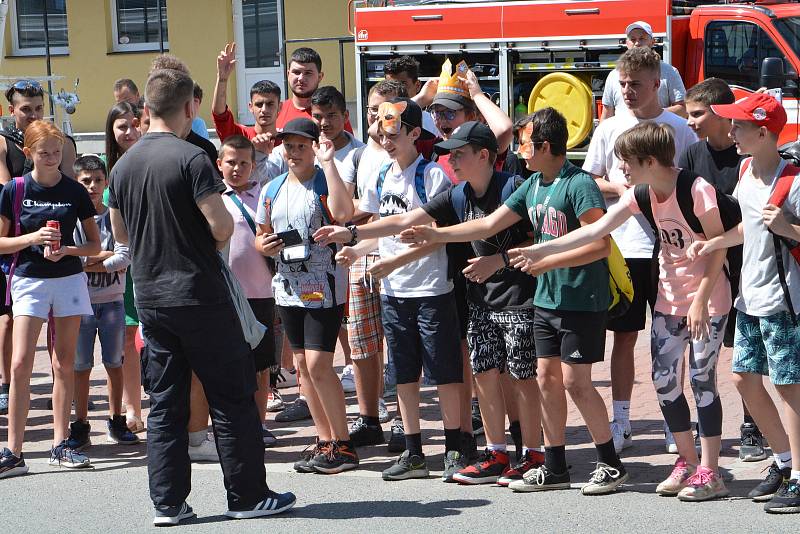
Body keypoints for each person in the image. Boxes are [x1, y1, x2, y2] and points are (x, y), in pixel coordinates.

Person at [401, 107, 629, 495]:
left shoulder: (579, 185)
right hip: (546, 299)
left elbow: (599, 244)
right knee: (546, 380)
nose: (520, 150)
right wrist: (438, 236)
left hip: (581, 299)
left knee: (576, 383)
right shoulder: (534, 184)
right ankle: (555, 466)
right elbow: (489, 225)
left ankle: (609, 462)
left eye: (525, 143)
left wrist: (543, 259)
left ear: (544, 145)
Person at [107, 67, 295, 524]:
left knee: (166, 403)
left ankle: (168, 503)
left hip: (151, 295)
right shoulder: (192, 159)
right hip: (200, 295)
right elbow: (222, 226)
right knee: (231, 396)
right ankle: (247, 496)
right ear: (190, 108)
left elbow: (120, 233)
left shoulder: (123, 165)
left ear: (146, 109)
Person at [511, 122, 732, 499]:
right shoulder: (641, 193)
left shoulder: (696, 190)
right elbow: (594, 232)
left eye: (626, 162)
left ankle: (710, 472)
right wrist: (541, 250)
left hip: (706, 301)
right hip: (668, 297)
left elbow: (718, 246)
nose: (621, 171)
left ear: (648, 160)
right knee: (664, 381)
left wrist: (700, 301)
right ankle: (687, 461)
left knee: (701, 381)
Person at [314, 98, 466, 483]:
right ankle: (414, 451)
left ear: (415, 133)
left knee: (445, 373)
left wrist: (379, 254)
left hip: (431, 289)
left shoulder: (431, 177)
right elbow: (385, 230)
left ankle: (453, 447)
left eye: (394, 132)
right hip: (394, 292)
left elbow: (436, 238)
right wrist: (356, 249)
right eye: (382, 132)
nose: (386, 138)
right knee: (403, 374)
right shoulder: (383, 175)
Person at [583, 46, 697, 454]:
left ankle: (675, 422)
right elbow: (588, 180)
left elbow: (688, 181)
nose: (627, 91)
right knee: (624, 336)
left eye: (635, 84)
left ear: (656, 85)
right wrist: (623, 189)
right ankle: (622, 419)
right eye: (623, 84)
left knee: (672, 337)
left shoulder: (677, 128)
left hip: (669, 247)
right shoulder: (609, 127)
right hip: (624, 244)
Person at [690, 92, 800, 513]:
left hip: (783, 300)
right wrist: (713, 242)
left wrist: (789, 226)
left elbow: (786, 230)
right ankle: (784, 460)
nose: (731, 131)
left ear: (763, 131)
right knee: (744, 379)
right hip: (749, 297)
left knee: (789, 386)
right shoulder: (745, 169)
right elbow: (746, 228)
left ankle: (797, 476)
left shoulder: (792, 180)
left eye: (739, 126)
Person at [254, 118, 357, 474]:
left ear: (314, 146)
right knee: (301, 368)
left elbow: (345, 214)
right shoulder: (272, 188)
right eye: (289, 146)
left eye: (301, 146)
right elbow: (260, 234)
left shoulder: (324, 181)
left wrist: (329, 163)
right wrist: (263, 244)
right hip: (287, 286)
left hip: (323, 286)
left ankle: (343, 445)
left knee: (318, 365)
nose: (294, 152)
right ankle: (324, 438)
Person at [0, 120, 100, 477]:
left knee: (64, 363)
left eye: (58, 153)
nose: (52, 159)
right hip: (29, 280)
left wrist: (66, 250)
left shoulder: (74, 190)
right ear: (28, 154)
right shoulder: (14, 189)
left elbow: (94, 246)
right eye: (45, 153)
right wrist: (32, 238)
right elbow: (1, 242)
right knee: (19, 364)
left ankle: (61, 443)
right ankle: (14, 451)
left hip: (68, 279)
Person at [678, 78, 765, 462]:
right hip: (709, 264)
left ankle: (753, 426)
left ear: (718, 113)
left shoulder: (746, 153)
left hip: (748, 263)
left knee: (747, 352)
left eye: (697, 114)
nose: (691, 121)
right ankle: (706, 423)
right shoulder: (694, 154)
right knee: (705, 353)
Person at [336, 80, 406, 449]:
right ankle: (369, 417)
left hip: (396, 258)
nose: (376, 119)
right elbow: (348, 210)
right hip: (361, 255)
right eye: (371, 111)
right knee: (361, 340)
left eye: (385, 111)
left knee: (396, 343)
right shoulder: (360, 155)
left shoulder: (405, 152)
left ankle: (399, 419)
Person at [70, 155, 140, 449]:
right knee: (81, 365)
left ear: (106, 182)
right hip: (81, 303)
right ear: (77, 183)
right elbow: (76, 259)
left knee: (114, 363)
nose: (92, 186)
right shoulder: (73, 218)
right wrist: (105, 257)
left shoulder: (114, 215)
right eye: (86, 181)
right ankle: (80, 423)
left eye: (98, 180)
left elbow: (125, 255)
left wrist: (91, 259)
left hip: (112, 301)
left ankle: (116, 419)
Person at [217, 135, 278, 448]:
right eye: (231, 163)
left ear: (254, 166)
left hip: (261, 294)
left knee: (260, 365)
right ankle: (233, 425)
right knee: (230, 363)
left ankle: (259, 423)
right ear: (220, 165)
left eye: (244, 163)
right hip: (227, 296)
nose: (237, 168)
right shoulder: (215, 199)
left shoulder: (265, 196)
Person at [103, 101, 145, 434]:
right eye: (122, 126)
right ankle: (133, 407)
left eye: (134, 124)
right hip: (122, 266)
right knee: (128, 338)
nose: (129, 131)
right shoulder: (107, 172)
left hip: (154, 258)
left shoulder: (150, 160)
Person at [212, 42, 284, 184]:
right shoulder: (240, 135)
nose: (264, 109)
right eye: (259, 104)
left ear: (280, 107)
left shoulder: (288, 141)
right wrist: (222, 78)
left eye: (270, 104)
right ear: (250, 107)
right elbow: (219, 113)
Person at [600, 20, 687, 120]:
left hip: (655, 134)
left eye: (642, 38)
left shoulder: (669, 71)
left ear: (652, 42)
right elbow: (607, 113)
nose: (637, 43)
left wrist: (654, 115)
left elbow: (683, 109)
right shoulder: (614, 75)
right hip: (623, 135)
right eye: (632, 39)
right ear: (626, 43)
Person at [277, 47, 353, 133]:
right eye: (296, 72)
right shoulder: (275, 111)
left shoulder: (333, 114)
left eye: (308, 73)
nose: (301, 78)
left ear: (320, 77)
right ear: (288, 74)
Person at [383, 55, 439, 135]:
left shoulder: (434, 122)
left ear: (417, 86)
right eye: (391, 85)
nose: (397, 90)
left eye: (403, 84)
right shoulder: (379, 117)